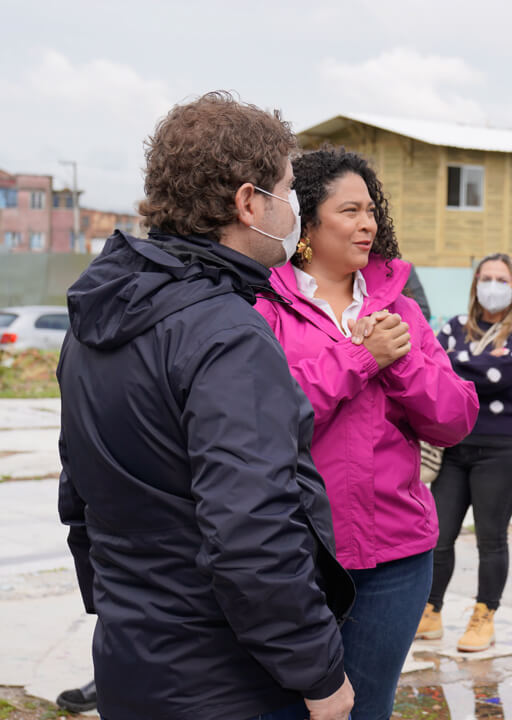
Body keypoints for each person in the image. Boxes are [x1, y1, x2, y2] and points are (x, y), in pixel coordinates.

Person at [57, 92, 356, 720]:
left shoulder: (98, 316)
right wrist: (319, 671)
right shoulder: (225, 334)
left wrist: (126, 611)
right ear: (249, 202)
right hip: (225, 680)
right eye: (286, 189)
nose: (293, 207)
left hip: (130, 659)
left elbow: (79, 497)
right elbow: (252, 531)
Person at [255, 147, 478, 720]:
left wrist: (398, 360)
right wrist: (359, 358)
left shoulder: (398, 307)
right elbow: (264, 420)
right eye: (349, 210)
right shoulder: (263, 305)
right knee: (287, 710)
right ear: (308, 221)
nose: (367, 223)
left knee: (367, 708)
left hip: (395, 558)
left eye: (371, 210)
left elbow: (454, 418)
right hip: (297, 558)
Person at [416, 253, 512, 653]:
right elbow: (432, 367)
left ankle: (484, 614)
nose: (492, 285)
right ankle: (430, 610)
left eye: (500, 279)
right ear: (475, 286)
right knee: (438, 535)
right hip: (454, 448)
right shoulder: (454, 328)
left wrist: (458, 363)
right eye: (485, 278)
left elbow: (499, 376)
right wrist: (478, 364)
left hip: (503, 451)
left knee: (490, 537)